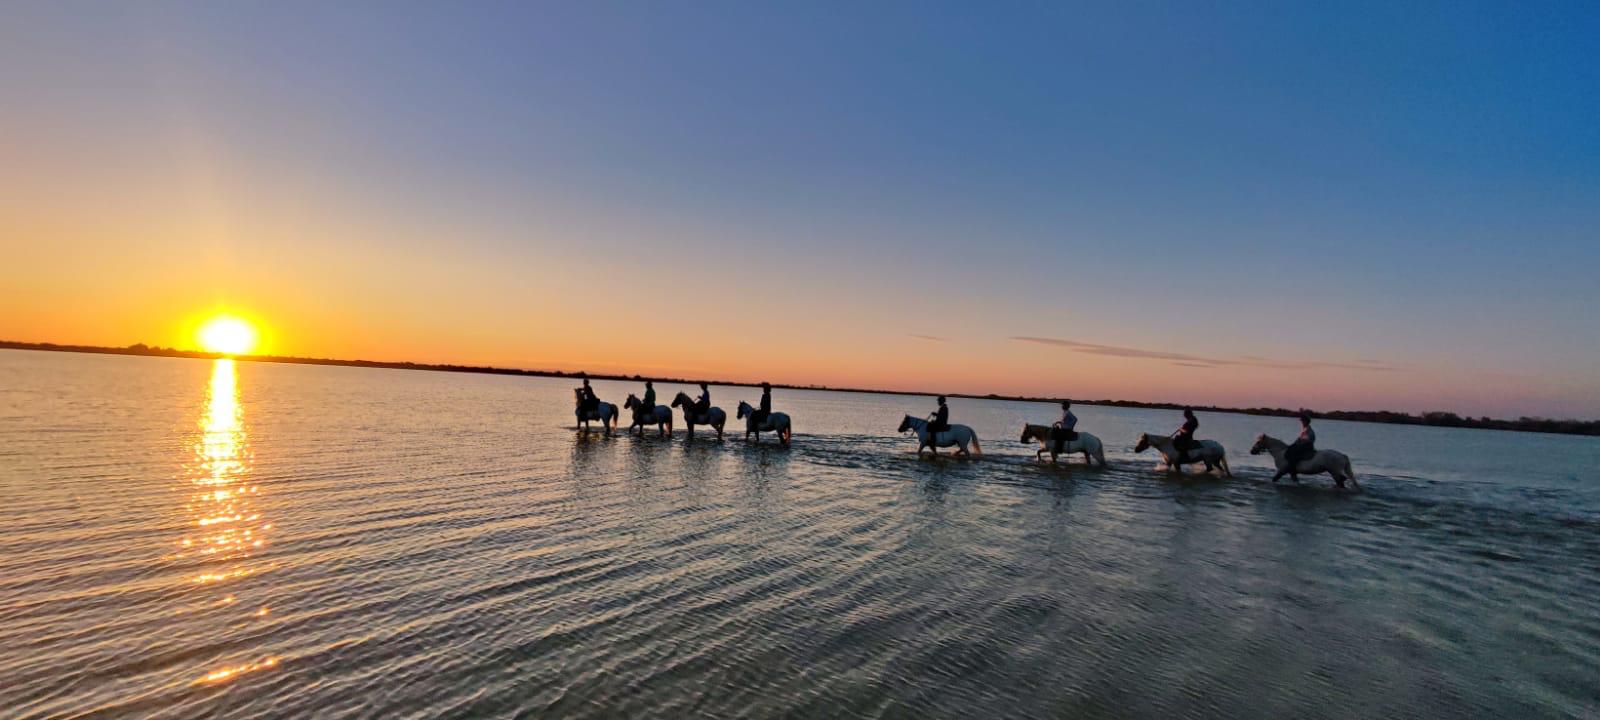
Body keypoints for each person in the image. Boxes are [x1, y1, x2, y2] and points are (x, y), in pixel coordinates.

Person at [1274, 413, 1317, 483]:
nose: (1302, 423)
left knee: (1293, 454)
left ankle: (1292, 470)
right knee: (1290, 450)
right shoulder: (1305, 429)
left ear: (1305, 422)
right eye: (1302, 421)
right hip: (1304, 445)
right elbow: (1299, 439)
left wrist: (1299, 443)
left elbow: (1307, 440)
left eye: (1302, 421)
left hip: (1307, 446)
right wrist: (1293, 445)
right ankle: (1292, 471)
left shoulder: (1309, 430)